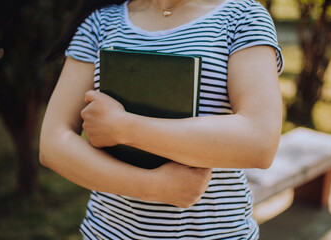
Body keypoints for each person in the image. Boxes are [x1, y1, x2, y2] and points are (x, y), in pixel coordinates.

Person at [40, 0, 284, 239]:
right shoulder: (101, 22)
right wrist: (152, 187)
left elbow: (259, 142)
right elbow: (53, 143)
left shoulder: (242, 16)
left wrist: (125, 127)